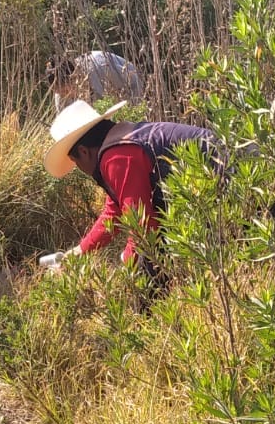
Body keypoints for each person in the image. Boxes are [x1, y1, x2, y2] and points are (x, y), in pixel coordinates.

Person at [39, 100, 222, 269]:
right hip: (225, 171)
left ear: (83, 151)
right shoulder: (120, 142)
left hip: (227, 175)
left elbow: (142, 227)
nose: (78, 168)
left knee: (147, 266)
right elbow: (114, 212)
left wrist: (129, 265)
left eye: (75, 162)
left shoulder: (117, 157)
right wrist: (80, 251)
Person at [49, 51, 145, 111]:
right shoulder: (60, 94)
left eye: (66, 91)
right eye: (60, 93)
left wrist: (133, 110)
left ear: (74, 78)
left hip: (129, 90)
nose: (65, 96)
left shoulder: (101, 68)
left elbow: (135, 82)